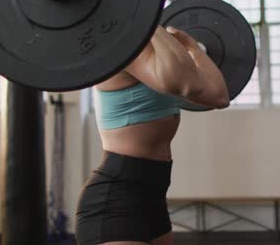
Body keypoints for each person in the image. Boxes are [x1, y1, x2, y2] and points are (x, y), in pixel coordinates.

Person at [75, 25, 230, 245]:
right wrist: (148, 21)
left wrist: (193, 47)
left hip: (152, 197)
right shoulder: (123, 50)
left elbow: (219, 96)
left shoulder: (159, 60)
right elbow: (185, 83)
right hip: (115, 201)